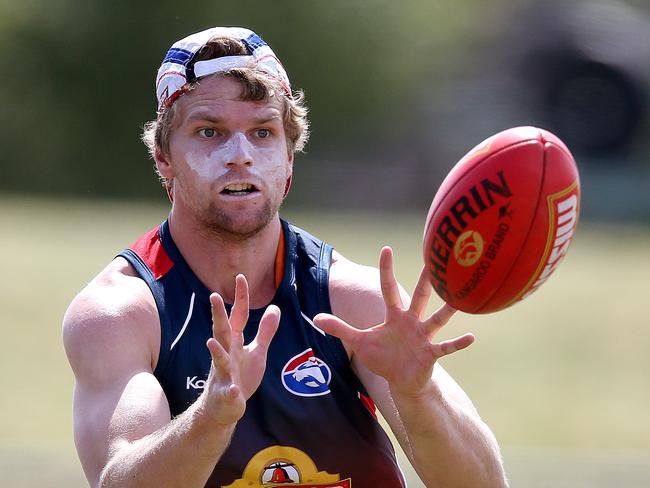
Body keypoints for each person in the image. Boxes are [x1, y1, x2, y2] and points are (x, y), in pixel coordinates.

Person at [63, 26, 508, 488]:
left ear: (290, 158)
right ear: (163, 158)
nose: (241, 155)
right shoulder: (120, 314)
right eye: (209, 131)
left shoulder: (353, 302)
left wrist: (418, 396)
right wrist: (211, 418)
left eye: (263, 132)